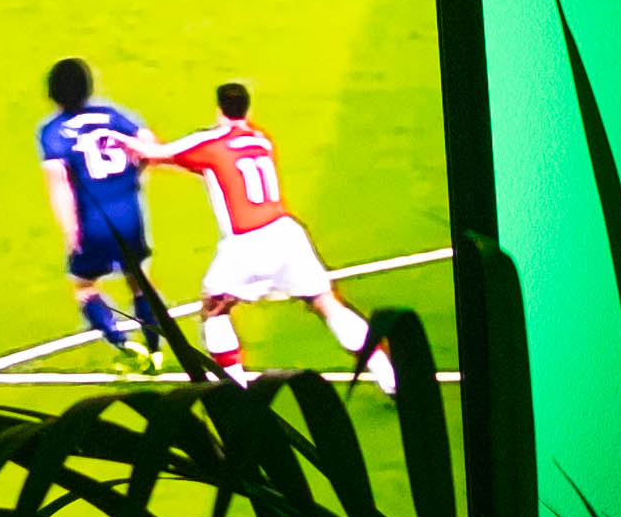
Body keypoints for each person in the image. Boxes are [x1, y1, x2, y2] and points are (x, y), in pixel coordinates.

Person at [150, 81, 390, 385]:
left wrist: (132, 140)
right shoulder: (260, 140)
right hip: (287, 234)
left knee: (215, 308)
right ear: (247, 109)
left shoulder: (211, 142)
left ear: (219, 108)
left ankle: (236, 389)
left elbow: (158, 153)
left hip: (247, 241)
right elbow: (216, 167)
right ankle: (391, 377)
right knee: (327, 304)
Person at [37, 58, 181, 368]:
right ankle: (155, 349)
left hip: (92, 220)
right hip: (129, 214)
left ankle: (124, 343)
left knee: (84, 286)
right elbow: (150, 147)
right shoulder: (113, 116)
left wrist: (71, 231)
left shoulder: (52, 131)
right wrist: (133, 175)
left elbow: (60, 184)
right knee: (139, 281)